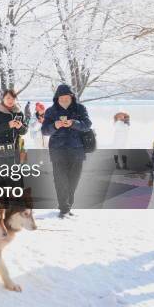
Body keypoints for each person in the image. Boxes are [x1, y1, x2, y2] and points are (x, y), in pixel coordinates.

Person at [41, 84, 92, 219]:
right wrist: (55, 125)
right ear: (57, 98)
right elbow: (44, 130)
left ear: (71, 97)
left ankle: (68, 204)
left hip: (77, 150)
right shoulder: (51, 111)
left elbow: (87, 125)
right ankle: (64, 208)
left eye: (66, 97)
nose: (64, 99)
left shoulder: (80, 109)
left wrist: (74, 123)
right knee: (60, 180)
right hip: (57, 151)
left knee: (73, 180)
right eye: (61, 97)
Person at [0, 90, 28, 186]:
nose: (11, 100)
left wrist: (20, 127)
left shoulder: (19, 113)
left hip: (15, 147)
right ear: (3, 99)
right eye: (8, 98)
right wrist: (8, 125)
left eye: (13, 98)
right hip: (0, 147)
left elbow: (24, 131)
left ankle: (16, 197)